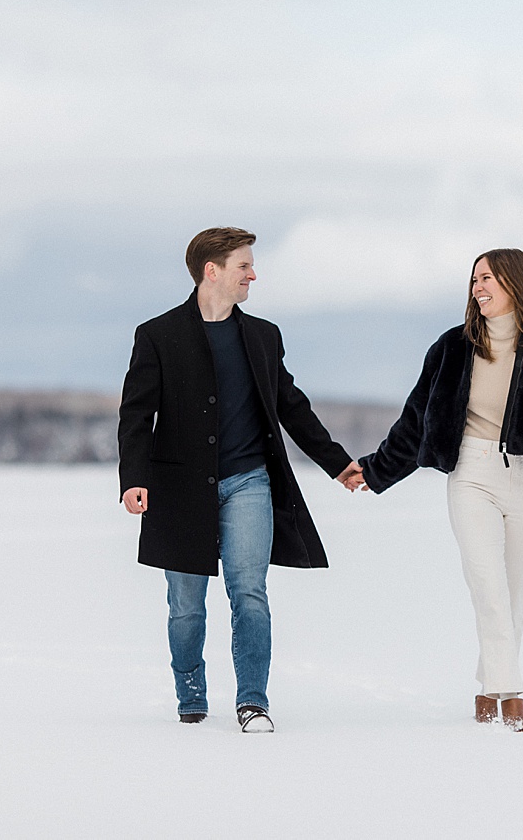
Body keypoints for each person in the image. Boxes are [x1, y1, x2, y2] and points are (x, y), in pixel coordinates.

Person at [118, 226, 362, 733]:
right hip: (179, 489)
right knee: (185, 604)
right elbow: (136, 415)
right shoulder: (158, 335)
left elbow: (292, 407)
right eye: (244, 266)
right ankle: (190, 691)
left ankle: (253, 700)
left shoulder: (263, 336)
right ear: (213, 271)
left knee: (249, 592)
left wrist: (337, 463)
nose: (254, 274)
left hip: (249, 481)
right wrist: (133, 478)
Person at [343, 248, 523, 732]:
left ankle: (486, 689)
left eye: (488, 278)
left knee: (513, 593)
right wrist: (375, 471)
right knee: (488, 585)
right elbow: (415, 420)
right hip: (471, 473)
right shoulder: (451, 347)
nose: (478, 287)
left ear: (514, 283)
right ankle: (512, 696)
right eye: (474, 279)